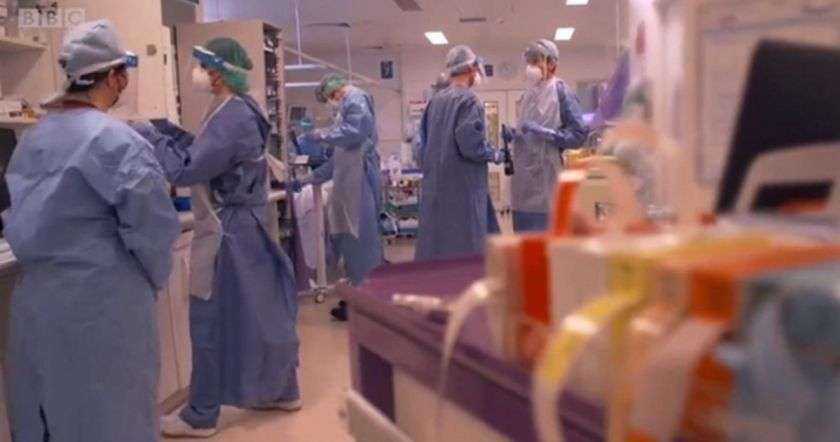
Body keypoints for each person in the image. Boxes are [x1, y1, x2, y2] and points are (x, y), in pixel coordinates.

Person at [3, 20, 180, 442]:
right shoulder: (117, 141)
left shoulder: (32, 139)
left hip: (37, 305)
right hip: (103, 306)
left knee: (48, 417)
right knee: (112, 417)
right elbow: (154, 231)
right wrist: (152, 278)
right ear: (116, 76)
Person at [131, 38, 300, 437]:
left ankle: (201, 414)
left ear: (219, 71)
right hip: (245, 227)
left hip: (227, 232)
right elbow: (207, 151)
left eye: (202, 66)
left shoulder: (233, 115)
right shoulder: (237, 108)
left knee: (209, 321)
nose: (197, 73)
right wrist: (166, 130)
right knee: (263, 315)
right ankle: (282, 389)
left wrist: (149, 137)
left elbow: (187, 170)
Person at [294, 74, 383, 321]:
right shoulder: (345, 132)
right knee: (351, 248)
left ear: (337, 89)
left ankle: (370, 304)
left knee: (362, 246)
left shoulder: (355, 98)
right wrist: (306, 179)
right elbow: (336, 163)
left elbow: (354, 131)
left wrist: (321, 135)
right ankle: (358, 297)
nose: (333, 102)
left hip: (359, 190)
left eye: (332, 96)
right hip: (348, 193)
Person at [415, 45, 504, 261]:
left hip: (436, 189)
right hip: (462, 191)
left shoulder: (435, 102)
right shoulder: (468, 101)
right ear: (472, 68)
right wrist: (493, 154)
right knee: (465, 245)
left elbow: (420, 148)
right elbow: (471, 147)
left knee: (438, 247)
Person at [505, 39, 588, 232]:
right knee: (524, 238)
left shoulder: (561, 91)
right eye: (529, 61)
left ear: (551, 63)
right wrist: (515, 133)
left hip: (547, 178)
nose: (530, 67)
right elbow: (527, 129)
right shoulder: (529, 94)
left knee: (547, 237)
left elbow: (579, 135)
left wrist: (546, 133)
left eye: (535, 61)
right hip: (523, 179)